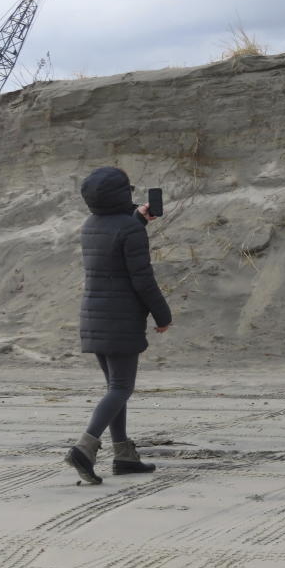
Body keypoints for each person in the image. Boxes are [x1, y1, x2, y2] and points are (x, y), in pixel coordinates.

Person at [65, 166, 172, 485]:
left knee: (115, 388)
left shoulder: (90, 225)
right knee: (121, 388)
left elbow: (115, 240)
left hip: (95, 316)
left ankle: (124, 456)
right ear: (122, 195)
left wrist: (137, 219)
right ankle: (84, 448)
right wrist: (163, 315)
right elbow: (142, 279)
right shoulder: (130, 229)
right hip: (121, 317)